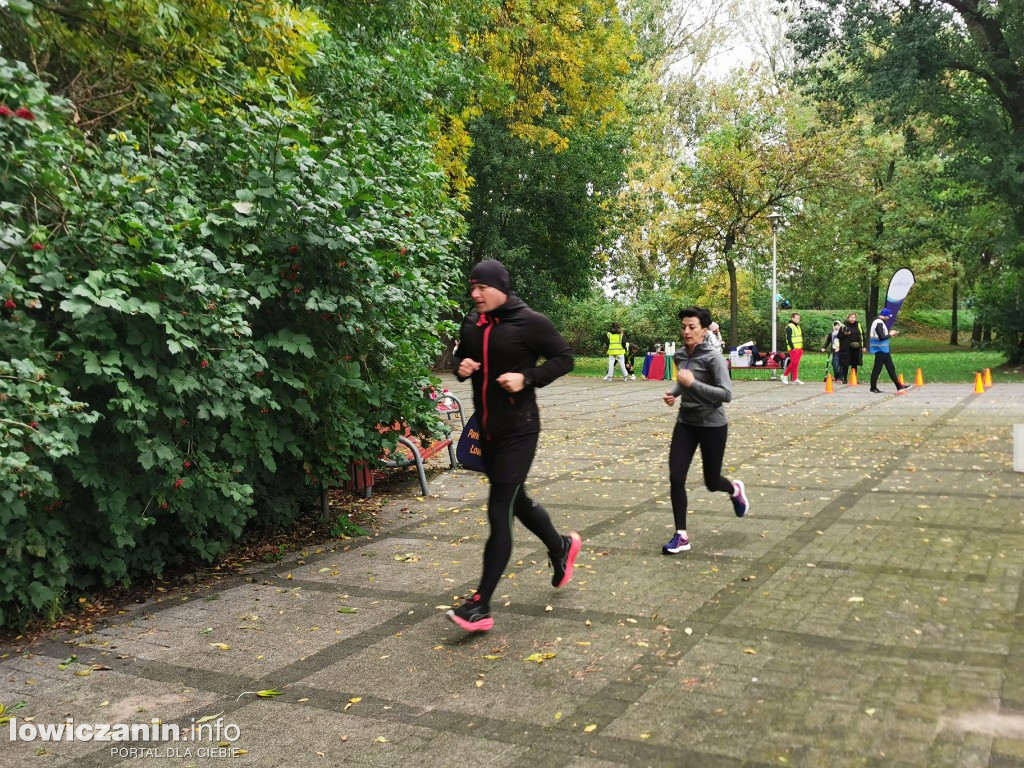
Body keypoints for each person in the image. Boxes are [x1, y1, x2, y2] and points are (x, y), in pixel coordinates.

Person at [448, 259, 581, 632]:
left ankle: (480, 605)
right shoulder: (472, 324)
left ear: (501, 288)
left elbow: (565, 358)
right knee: (517, 500)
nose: (475, 294)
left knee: (499, 510)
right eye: (472, 287)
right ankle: (561, 547)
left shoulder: (530, 322)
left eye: (482, 287)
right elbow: (461, 358)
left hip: (520, 432)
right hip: (487, 431)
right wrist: (462, 368)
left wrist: (528, 377)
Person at [662, 307, 750, 554]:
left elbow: (726, 394)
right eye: (683, 327)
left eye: (692, 327)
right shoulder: (679, 354)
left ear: (703, 330)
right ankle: (681, 536)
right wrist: (675, 393)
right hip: (686, 424)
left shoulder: (714, 357)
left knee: (712, 482)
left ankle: (735, 490)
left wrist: (693, 384)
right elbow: (684, 381)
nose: (687, 331)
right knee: (676, 477)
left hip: (712, 425)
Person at [868, 308, 913, 394]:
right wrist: (890, 334)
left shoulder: (878, 322)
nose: (889, 318)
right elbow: (881, 337)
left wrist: (890, 334)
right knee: (877, 369)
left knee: (890, 368)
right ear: (884, 315)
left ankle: (899, 386)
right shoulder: (879, 323)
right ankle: (873, 388)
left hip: (883, 349)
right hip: (880, 349)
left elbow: (881, 335)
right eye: (888, 316)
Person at [838, 312, 864, 384]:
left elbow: (862, 335)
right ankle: (845, 378)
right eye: (851, 317)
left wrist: (863, 346)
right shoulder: (844, 326)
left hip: (856, 348)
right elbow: (838, 336)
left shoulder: (858, 325)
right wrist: (844, 334)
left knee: (854, 363)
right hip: (846, 348)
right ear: (848, 318)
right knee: (845, 364)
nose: (853, 319)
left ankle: (854, 377)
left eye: (854, 317)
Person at [781, 312, 805, 384]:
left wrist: (801, 348)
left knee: (796, 364)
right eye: (797, 318)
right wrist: (792, 347)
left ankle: (795, 379)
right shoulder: (789, 327)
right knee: (794, 362)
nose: (798, 320)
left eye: (799, 318)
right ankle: (784, 375)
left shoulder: (798, 326)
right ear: (792, 318)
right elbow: (788, 338)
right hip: (793, 348)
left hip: (799, 348)